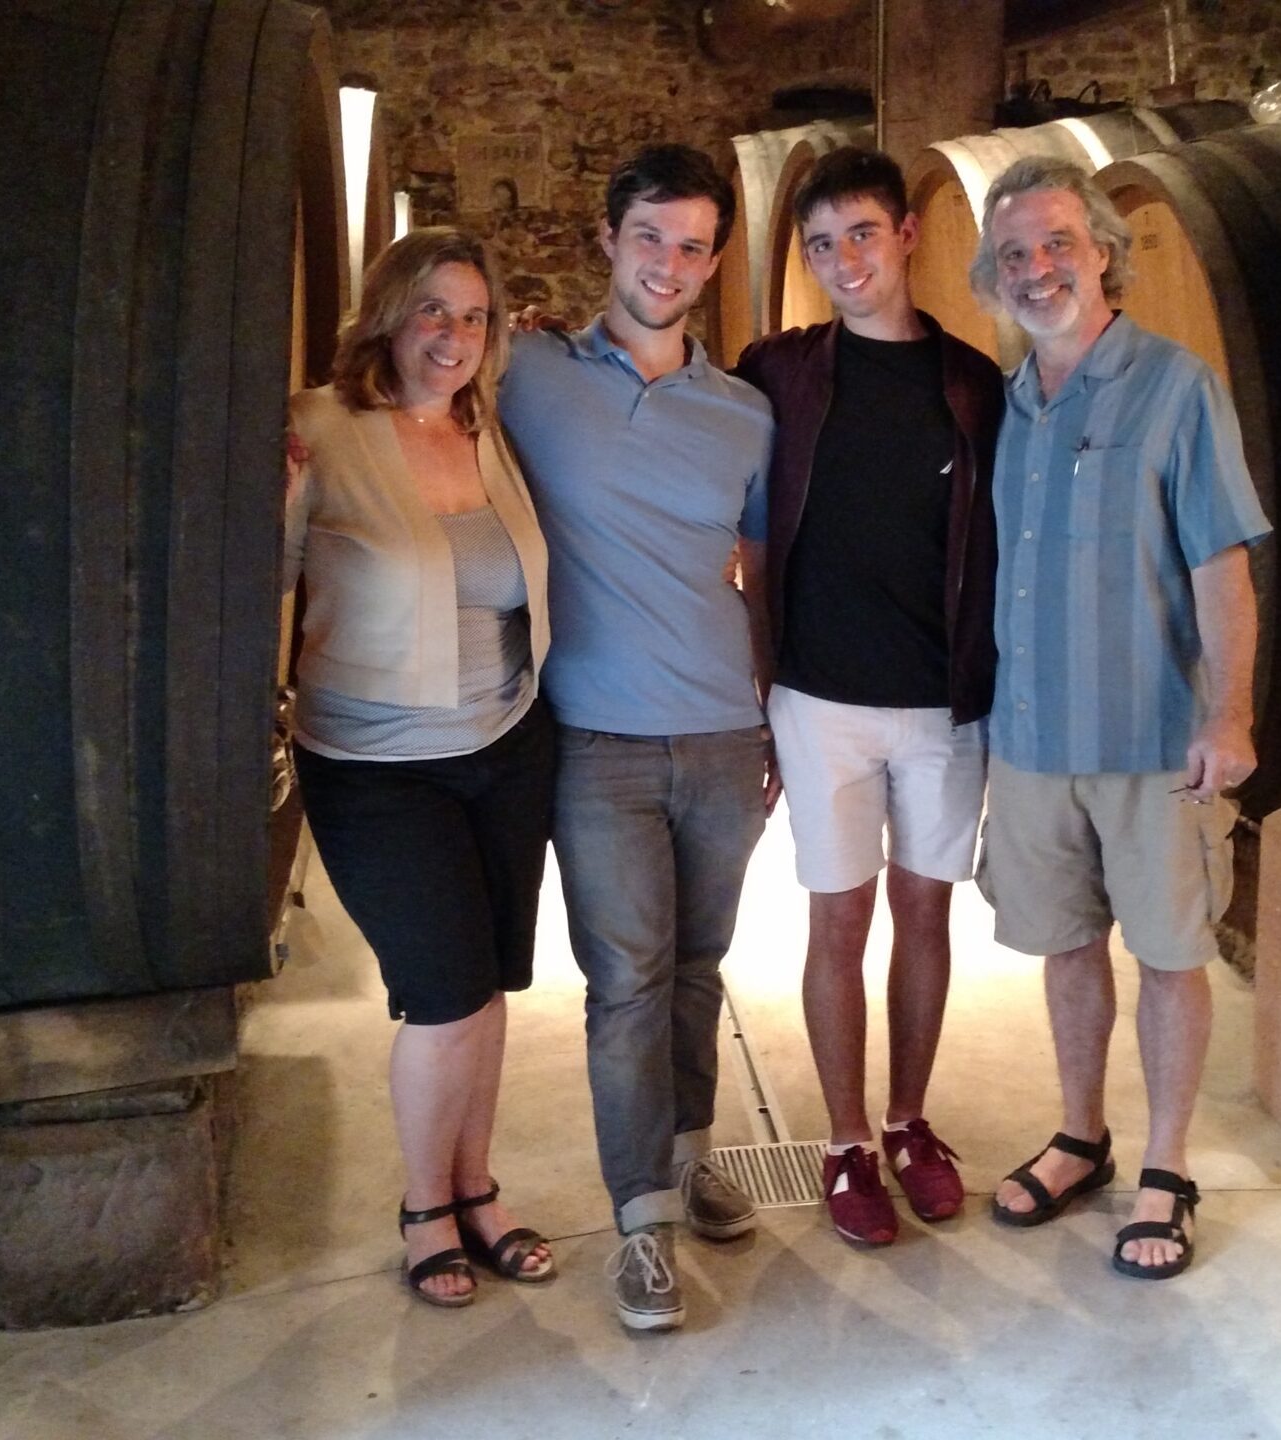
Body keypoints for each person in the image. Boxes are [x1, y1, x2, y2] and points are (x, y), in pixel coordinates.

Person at [970, 157, 1269, 1280]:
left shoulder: (1176, 387)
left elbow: (1222, 570)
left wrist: (1229, 717)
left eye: (1057, 244)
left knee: (1173, 954)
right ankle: (1081, 1136)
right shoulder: (1011, 405)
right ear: (995, 279)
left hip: (1153, 742)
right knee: (1064, 948)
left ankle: (1168, 1164)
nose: (1038, 269)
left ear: (1102, 250)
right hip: (1035, 738)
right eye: (1014, 256)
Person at [499, 144, 776, 1332]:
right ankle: (642, 1225)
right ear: (607, 240)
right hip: (597, 739)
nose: (669, 264)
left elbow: (760, 572)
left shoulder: (745, 413)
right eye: (649, 237)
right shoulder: (525, 373)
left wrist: (770, 717)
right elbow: (410, 406)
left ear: (715, 263)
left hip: (723, 733)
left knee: (701, 970)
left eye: (693, 245)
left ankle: (695, 1152)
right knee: (626, 985)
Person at [733, 147, 1002, 1246]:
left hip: (943, 703)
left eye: (861, 235)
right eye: (822, 244)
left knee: (926, 912)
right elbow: (742, 531)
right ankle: (846, 1141)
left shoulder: (973, 384)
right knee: (837, 916)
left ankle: (909, 1120)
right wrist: (752, 692)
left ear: (907, 237)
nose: (845, 260)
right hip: (819, 699)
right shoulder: (778, 372)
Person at [284, 227, 557, 1309]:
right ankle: (422, 1208)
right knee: (442, 994)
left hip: (507, 744)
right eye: (433, 311)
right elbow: (258, 576)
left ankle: (478, 1188)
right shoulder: (321, 428)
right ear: (389, 314)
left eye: (474, 317)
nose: (452, 336)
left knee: (491, 988)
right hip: (375, 765)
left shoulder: (487, 428)